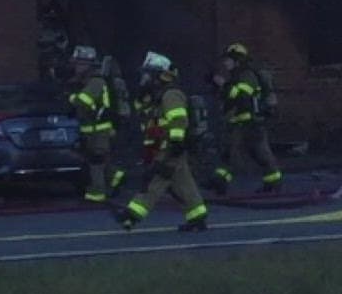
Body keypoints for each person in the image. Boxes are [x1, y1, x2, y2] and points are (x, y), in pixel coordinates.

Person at [115, 52, 208, 232]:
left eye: (148, 74)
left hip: (169, 148)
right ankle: (197, 217)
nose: (144, 77)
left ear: (160, 76)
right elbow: (145, 116)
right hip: (162, 147)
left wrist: (175, 143)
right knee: (182, 182)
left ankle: (131, 216)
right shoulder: (156, 97)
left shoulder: (171, 95)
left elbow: (178, 120)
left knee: (155, 180)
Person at [208, 42, 283, 194]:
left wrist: (223, 85)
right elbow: (228, 96)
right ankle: (272, 182)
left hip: (249, 122)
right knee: (255, 153)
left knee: (236, 152)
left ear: (238, 60)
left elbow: (242, 97)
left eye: (228, 59)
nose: (225, 62)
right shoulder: (237, 76)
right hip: (243, 122)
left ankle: (220, 182)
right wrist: (217, 84)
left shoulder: (247, 75)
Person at [65, 45, 125, 204]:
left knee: (96, 161)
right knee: (99, 159)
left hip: (100, 129)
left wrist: (71, 98)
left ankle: (96, 195)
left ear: (88, 65)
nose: (76, 67)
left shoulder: (96, 82)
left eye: (79, 63)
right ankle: (115, 177)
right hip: (90, 128)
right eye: (76, 63)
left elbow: (84, 102)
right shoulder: (85, 81)